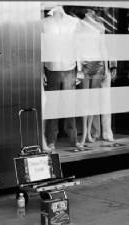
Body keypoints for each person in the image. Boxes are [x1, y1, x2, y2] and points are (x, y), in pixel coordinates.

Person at [42, 5, 84, 149]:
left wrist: (80, 69)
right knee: (52, 106)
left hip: (69, 67)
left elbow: (78, 47)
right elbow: (42, 48)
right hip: (51, 68)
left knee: (69, 105)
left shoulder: (74, 22)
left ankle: (73, 138)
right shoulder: (44, 23)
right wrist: (41, 70)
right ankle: (51, 139)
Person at [77, 7, 117, 143]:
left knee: (104, 99)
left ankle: (106, 132)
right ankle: (93, 132)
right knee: (89, 99)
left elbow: (108, 46)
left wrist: (110, 65)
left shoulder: (105, 23)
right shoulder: (81, 24)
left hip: (104, 64)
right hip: (88, 63)